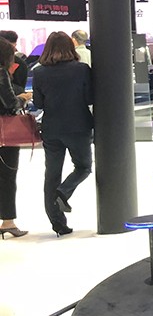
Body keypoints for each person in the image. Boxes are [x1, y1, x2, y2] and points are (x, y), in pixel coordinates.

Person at [31, 32, 93, 236]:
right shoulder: (81, 69)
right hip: (78, 126)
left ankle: (58, 223)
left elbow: (39, 104)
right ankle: (63, 192)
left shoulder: (39, 72)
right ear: (71, 47)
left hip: (51, 128)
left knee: (52, 174)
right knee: (83, 167)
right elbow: (90, 97)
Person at [0, 38, 29, 239]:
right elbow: (11, 104)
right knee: (7, 176)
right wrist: (23, 98)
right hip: (5, 133)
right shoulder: (1, 73)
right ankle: (8, 221)